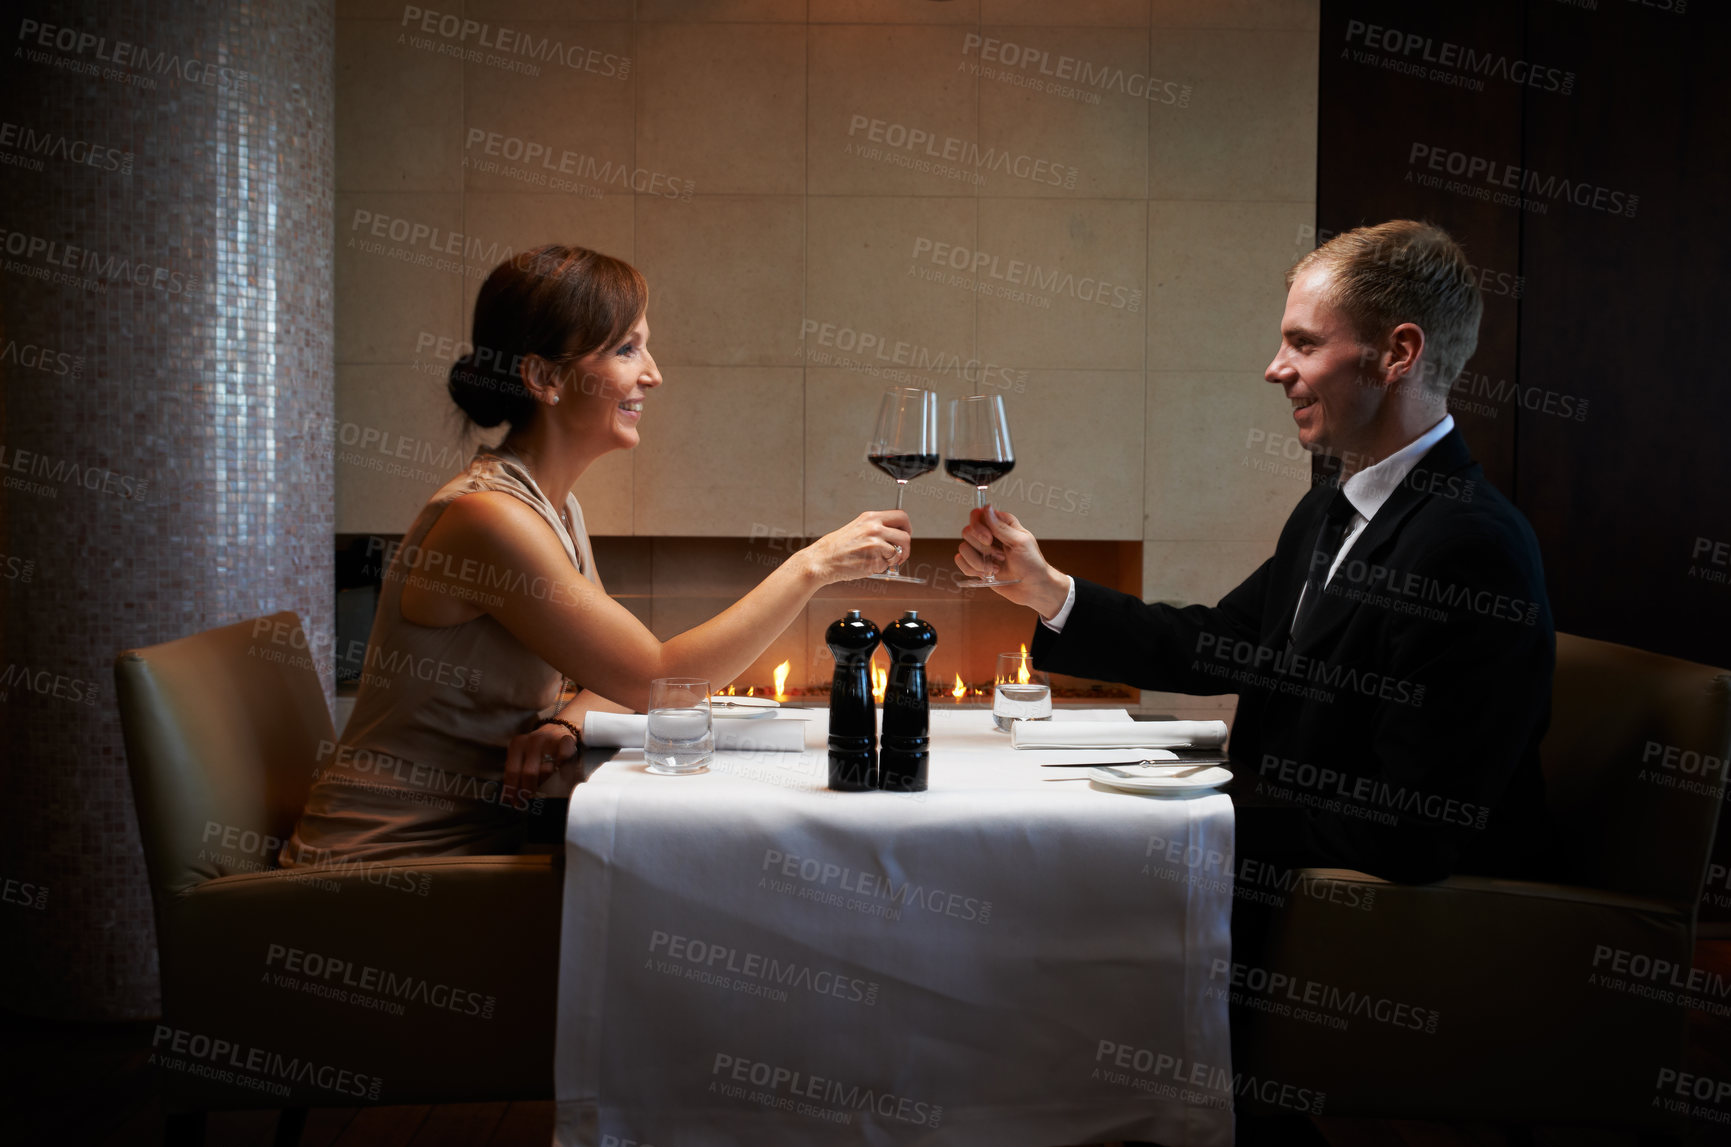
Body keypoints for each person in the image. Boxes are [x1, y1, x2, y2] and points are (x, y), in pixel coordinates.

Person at [957, 220, 1553, 886]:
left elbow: (1411, 829)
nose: (1274, 369)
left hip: (1382, 917)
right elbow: (1222, 639)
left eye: (1303, 342)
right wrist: (1048, 591)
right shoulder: (1331, 506)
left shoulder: (1472, 547)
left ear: (1397, 353)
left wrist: (1179, 818)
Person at [284, 245, 910, 863]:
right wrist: (814, 565)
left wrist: (566, 723)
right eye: (625, 349)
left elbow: (609, 678)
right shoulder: (488, 519)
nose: (653, 374)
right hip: (386, 873)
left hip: (487, 852)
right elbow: (654, 680)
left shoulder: (553, 507)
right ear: (544, 378)